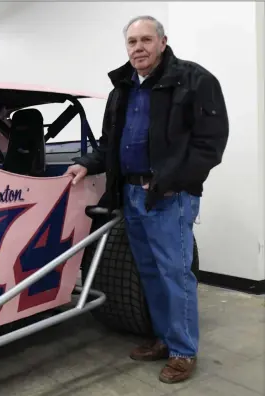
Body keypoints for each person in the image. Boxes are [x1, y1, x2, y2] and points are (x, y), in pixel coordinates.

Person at [65, 15, 228, 384]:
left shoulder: (194, 80)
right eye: (132, 42)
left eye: (146, 40)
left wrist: (176, 182)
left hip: (169, 196)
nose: (138, 48)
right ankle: (163, 339)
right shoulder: (122, 88)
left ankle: (183, 351)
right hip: (132, 196)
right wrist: (85, 165)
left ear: (163, 42)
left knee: (175, 274)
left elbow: (210, 144)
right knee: (151, 273)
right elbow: (110, 143)